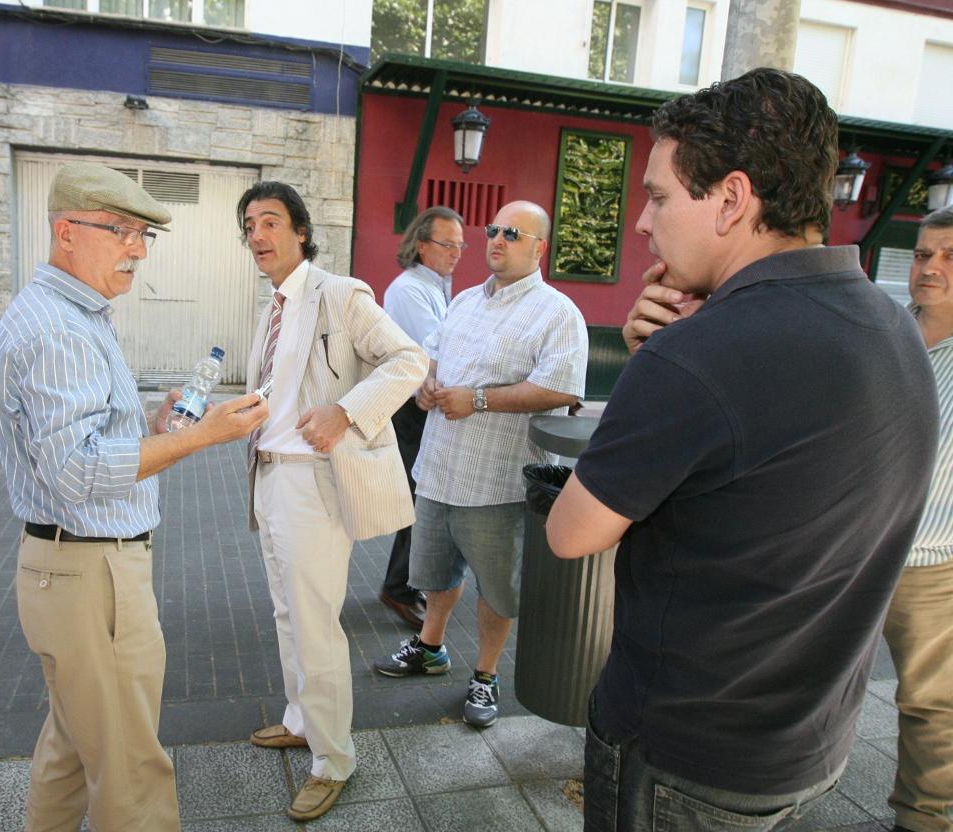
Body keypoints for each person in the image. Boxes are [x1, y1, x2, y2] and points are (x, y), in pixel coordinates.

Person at [545, 69, 939, 832]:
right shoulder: (895, 327)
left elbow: (571, 533)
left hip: (687, 756)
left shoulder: (692, 358)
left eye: (658, 196)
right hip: (812, 742)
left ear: (731, 199)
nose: (640, 224)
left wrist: (655, 364)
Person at [0, 162, 268, 832]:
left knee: (72, 747)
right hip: (92, 574)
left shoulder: (69, 313)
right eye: (120, 230)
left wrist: (148, 420)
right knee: (131, 770)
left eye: (144, 234)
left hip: (73, 569)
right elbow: (79, 473)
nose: (138, 249)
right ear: (65, 233)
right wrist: (202, 439)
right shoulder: (58, 328)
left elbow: (73, 439)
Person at [238, 181, 427, 822]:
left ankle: (333, 760)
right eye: (248, 225)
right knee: (287, 614)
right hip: (269, 475)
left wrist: (345, 412)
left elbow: (409, 360)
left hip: (313, 484)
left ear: (299, 231)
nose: (257, 235)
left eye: (269, 222)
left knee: (315, 623)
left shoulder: (338, 294)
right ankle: (301, 720)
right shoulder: (268, 306)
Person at [373, 200, 588, 730]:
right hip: (441, 467)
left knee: (497, 588)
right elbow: (432, 355)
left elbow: (561, 388)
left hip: (497, 478)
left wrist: (481, 399)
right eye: (493, 229)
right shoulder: (465, 300)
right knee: (436, 575)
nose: (496, 239)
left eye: (513, 233)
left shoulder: (558, 312)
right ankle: (430, 648)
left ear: (540, 247)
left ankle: (487, 675)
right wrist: (426, 384)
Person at [886, 205, 953, 832]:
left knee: (932, 707)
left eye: (949, 256)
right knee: (804, 688)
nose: (930, 267)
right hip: (847, 554)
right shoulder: (880, 331)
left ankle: (923, 820)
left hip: (931, 566)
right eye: (924, 254)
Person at [378, 206, 466, 630]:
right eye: (447, 244)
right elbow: (434, 351)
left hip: (423, 404)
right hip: (410, 409)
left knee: (420, 497)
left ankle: (404, 585)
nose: (456, 253)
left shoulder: (438, 286)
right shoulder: (409, 289)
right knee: (418, 499)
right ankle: (398, 589)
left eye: (460, 245)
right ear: (421, 244)